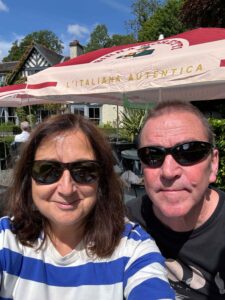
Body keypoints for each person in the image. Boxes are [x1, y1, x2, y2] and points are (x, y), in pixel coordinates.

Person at [1, 113, 174, 300]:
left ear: (102, 179)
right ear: (29, 178)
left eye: (84, 171)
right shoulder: (7, 239)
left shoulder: (132, 247)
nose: (66, 189)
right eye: (47, 170)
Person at [126, 100, 225, 299]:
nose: (169, 172)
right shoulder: (125, 224)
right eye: (152, 155)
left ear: (214, 164)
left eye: (189, 152)